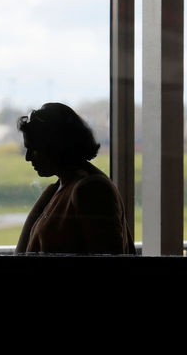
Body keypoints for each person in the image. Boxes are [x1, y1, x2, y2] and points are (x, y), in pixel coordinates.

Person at [15, 102, 135, 255]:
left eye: (34, 149)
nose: (28, 158)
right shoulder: (61, 188)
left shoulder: (91, 190)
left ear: (55, 146)